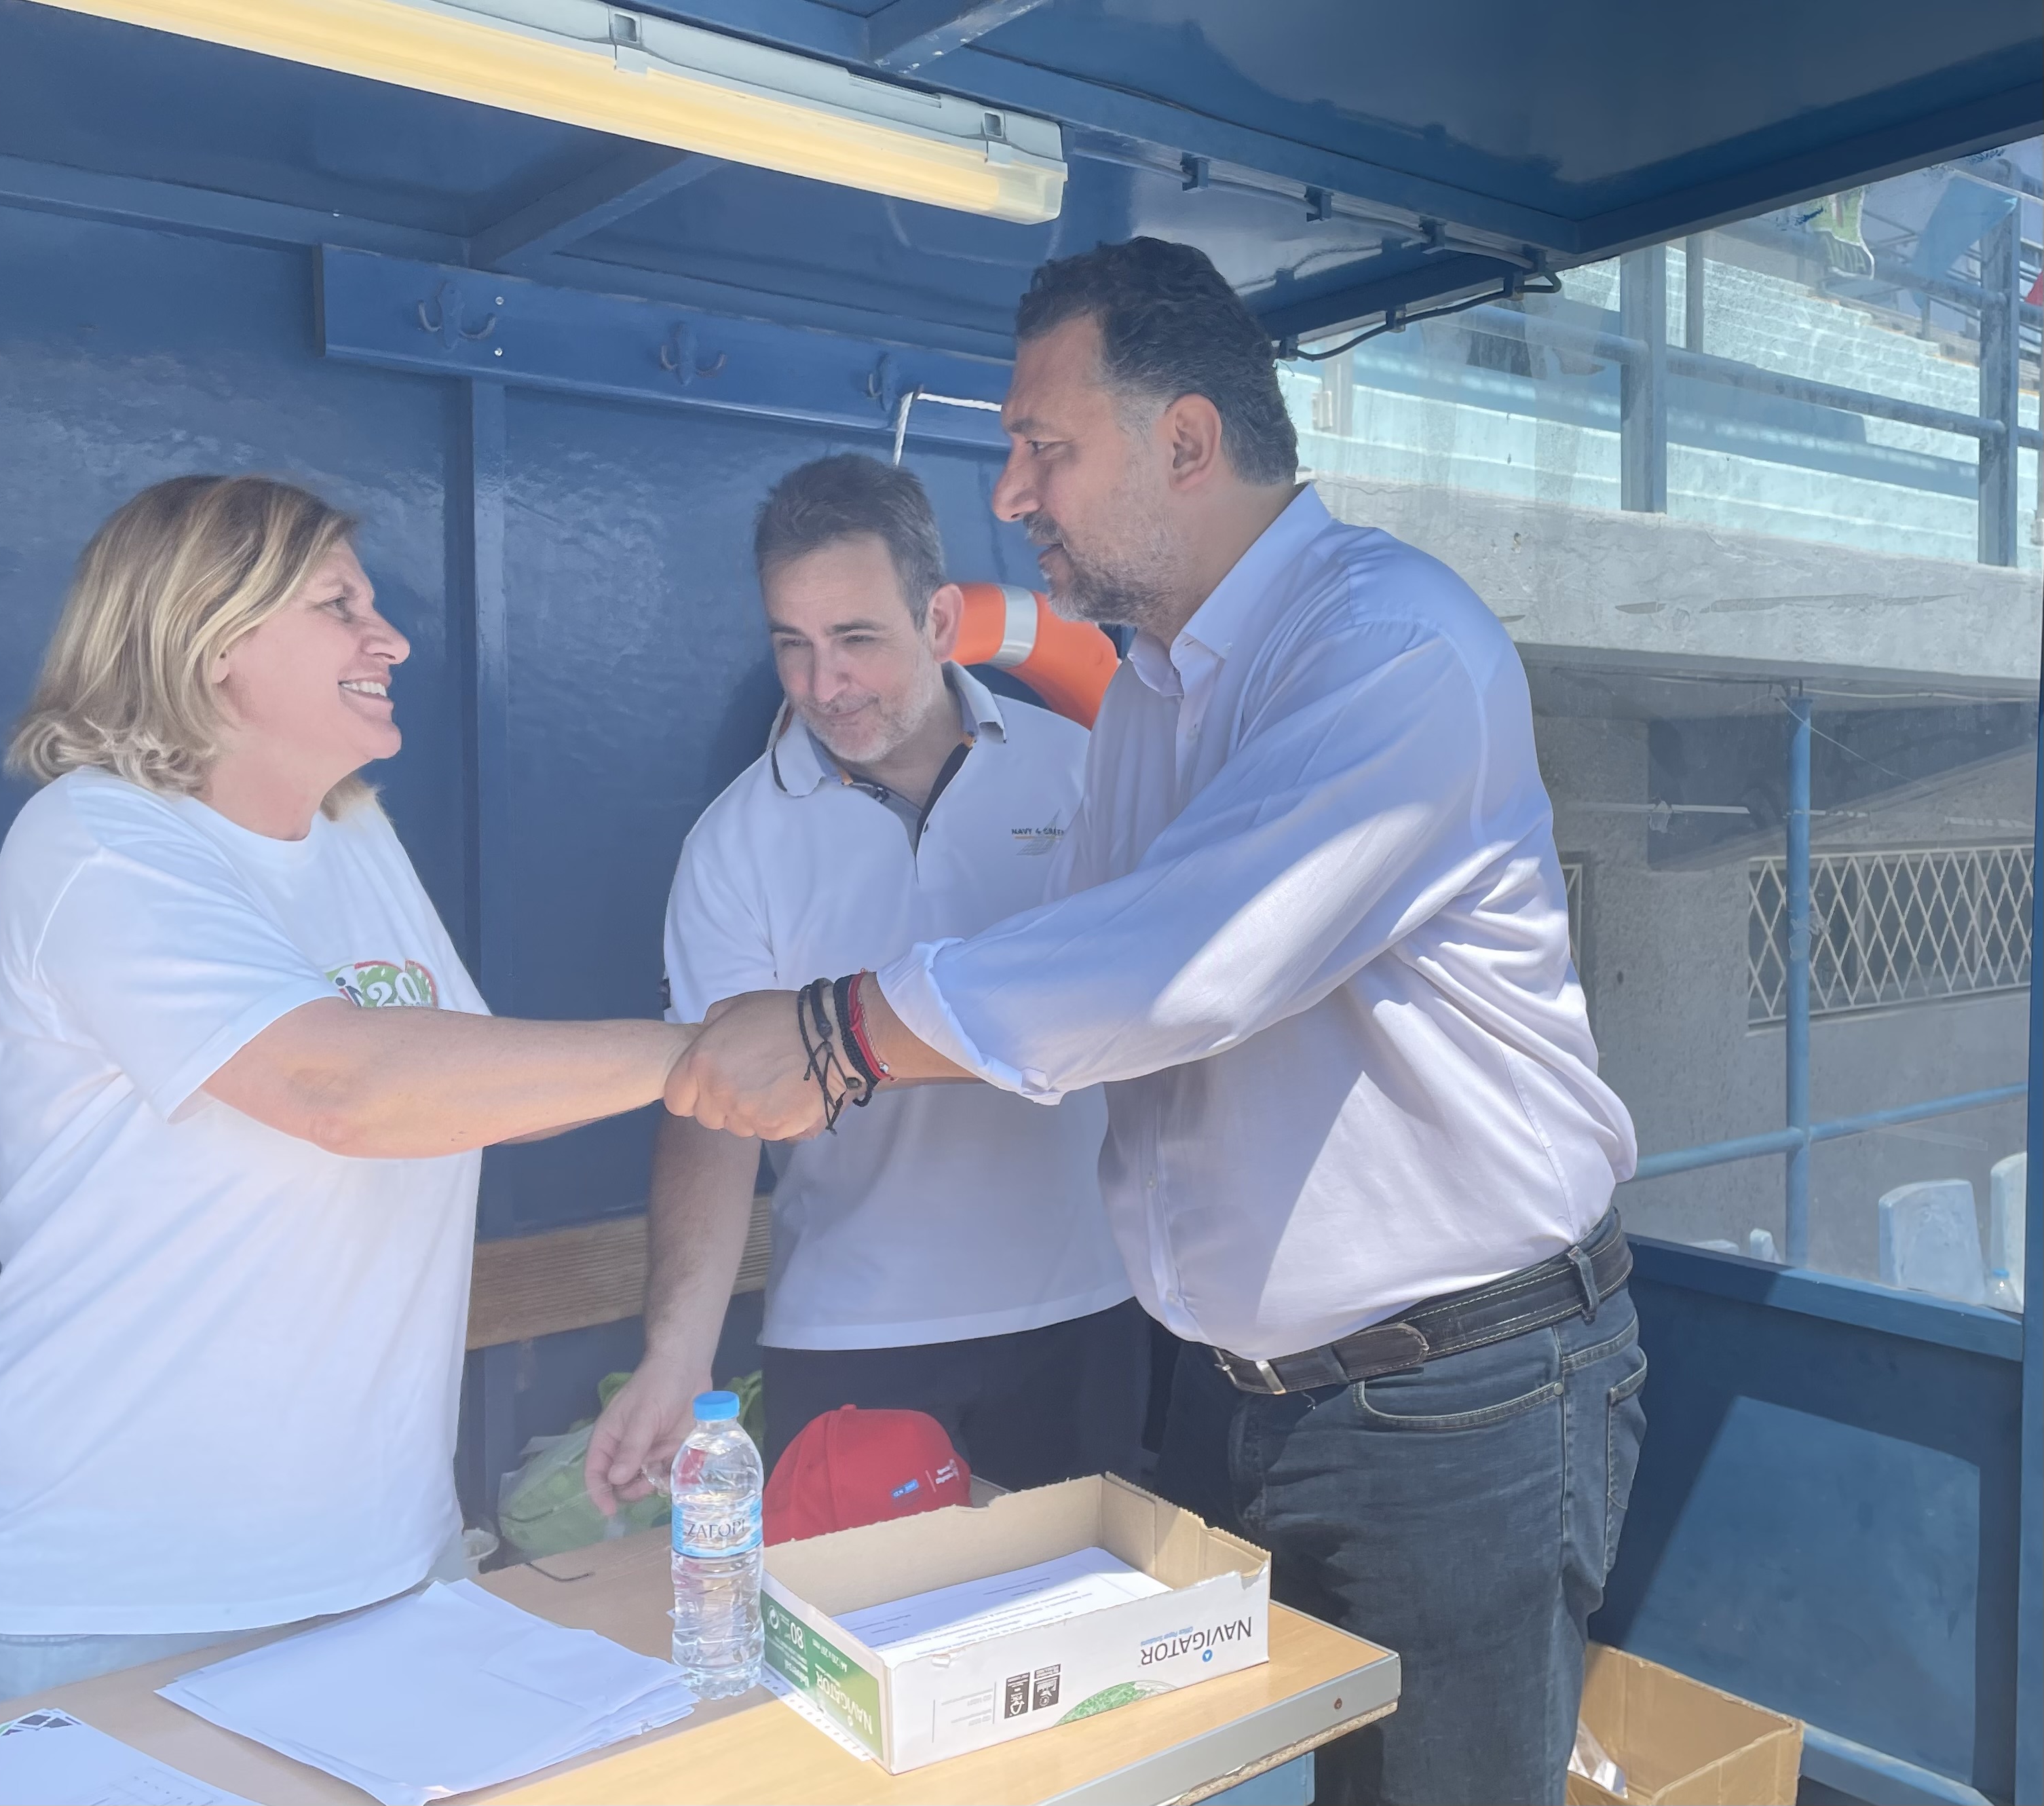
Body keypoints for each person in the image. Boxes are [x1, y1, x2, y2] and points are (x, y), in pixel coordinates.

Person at [665, 240, 1645, 1806]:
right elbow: (1106, 1006)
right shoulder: (1148, 700)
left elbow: (1180, 967)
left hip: (1456, 1396)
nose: (1011, 493)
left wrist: (841, 1030)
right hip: (1238, 1393)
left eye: (1043, 447)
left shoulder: (1389, 643)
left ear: (1185, 440)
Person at [0, 475, 692, 1714]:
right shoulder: (97, 837)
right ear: (211, 640)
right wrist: (710, 1051)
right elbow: (339, 1085)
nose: (390, 639)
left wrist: (728, 1053)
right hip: (115, 1591)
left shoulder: (353, 837)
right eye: (341, 606)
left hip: (381, 1558)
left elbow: (471, 1080)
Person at [584, 454, 1139, 1512]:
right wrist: (677, 1351)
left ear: (940, 620)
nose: (823, 684)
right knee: (843, 1624)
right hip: (850, 1333)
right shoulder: (733, 843)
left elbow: (1157, 1008)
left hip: (1087, 1308)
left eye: (856, 639)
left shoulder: (1083, 770)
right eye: (791, 644)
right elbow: (711, 1109)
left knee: (1089, 1620)